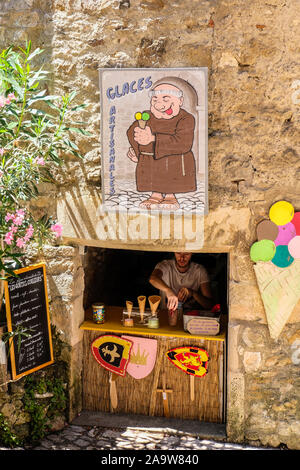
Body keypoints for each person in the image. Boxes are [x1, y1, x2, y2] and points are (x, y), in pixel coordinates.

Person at [126, 82, 197, 210]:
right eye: (155, 99)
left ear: (180, 101)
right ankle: (155, 195)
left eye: (165, 99)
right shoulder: (146, 116)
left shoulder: (186, 119)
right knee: (153, 175)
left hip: (175, 161)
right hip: (150, 160)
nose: (159, 103)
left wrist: (152, 138)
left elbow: (183, 143)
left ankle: (171, 196)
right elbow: (132, 132)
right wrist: (138, 155)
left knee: (171, 172)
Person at [149, 252, 213, 311]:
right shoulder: (165, 265)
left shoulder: (199, 270)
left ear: (192, 253)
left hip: (190, 316)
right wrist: (168, 290)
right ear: (174, 252)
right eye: (178, 253)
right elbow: (153, 278)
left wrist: (193, 293)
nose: (182, 258)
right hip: (166, 314)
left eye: (186, 253)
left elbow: (209, 305)